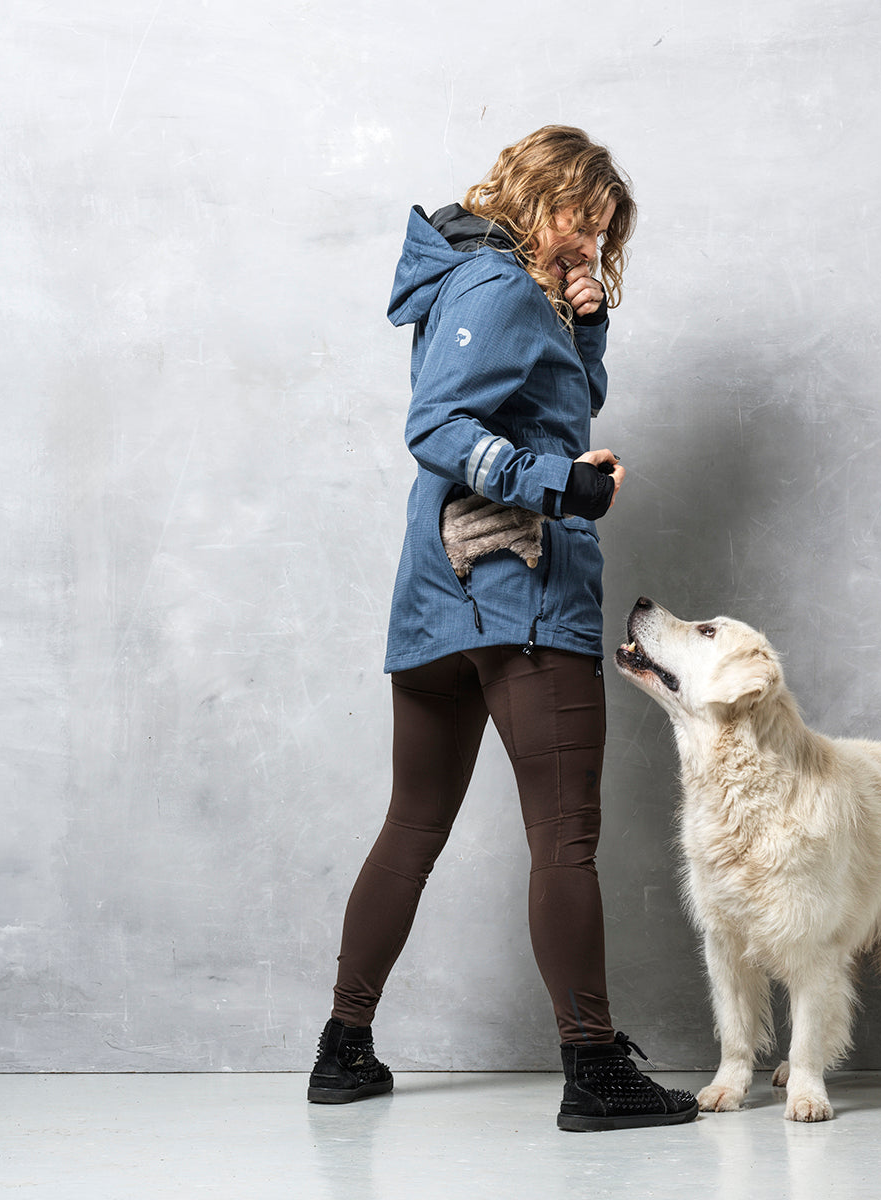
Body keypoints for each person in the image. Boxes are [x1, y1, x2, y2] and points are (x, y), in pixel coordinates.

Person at [307, 126, 697, 1132]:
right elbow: (437, 427)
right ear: (533, 196)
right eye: (575, 221)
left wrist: (589, 326)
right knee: (565, 838)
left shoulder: (484, 283)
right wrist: (559, 486)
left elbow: (552, 403)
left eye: (601, 235)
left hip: (439, 604)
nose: (585, 245)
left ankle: (344, 1050)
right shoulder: (497, 286)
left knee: (412, 827)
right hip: (519, 597)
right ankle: (593, 1068)